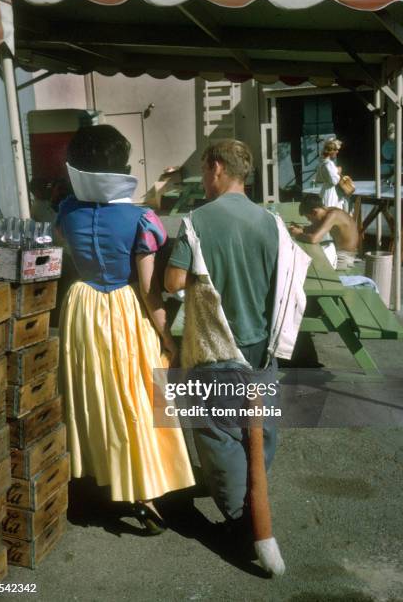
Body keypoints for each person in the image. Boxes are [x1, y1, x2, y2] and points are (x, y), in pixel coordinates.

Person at [164, 139, 310, 575]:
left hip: (215, 349)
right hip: (263, 348)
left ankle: (244, 523)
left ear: (216, 168)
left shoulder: (196, 222)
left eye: (205, 171)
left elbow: (173, 281)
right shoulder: (273, 223)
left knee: (218, 437)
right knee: (260, 434)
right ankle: (256, 505)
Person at [56, 125, 195, 533]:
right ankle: (144, 488)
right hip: (122, 307)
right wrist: (168, 336)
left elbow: (69, 243)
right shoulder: (142, 220)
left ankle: (106, 473)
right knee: (135, 396)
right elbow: (151, 292)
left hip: (82, 306)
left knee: (97, 393)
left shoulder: (67, 210)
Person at [290, 194, 358, 269]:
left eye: (308, 217)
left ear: (314, 212)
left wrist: (297, 234)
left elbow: (314, 239)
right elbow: (315, 227)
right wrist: (301, 228)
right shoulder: (327, 211)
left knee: (313, 268)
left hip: (344, 258)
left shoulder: (333, 215)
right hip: (339, 252)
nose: (309, 220)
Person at [315, 137, 345, 209]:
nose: (337, 152)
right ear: (330, 151)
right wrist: (339, 171)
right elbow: (334, 181)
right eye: (336, 150)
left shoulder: (322, 162)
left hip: (325, 190)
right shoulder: (329, 164)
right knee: (331, 211)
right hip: (331, 193)